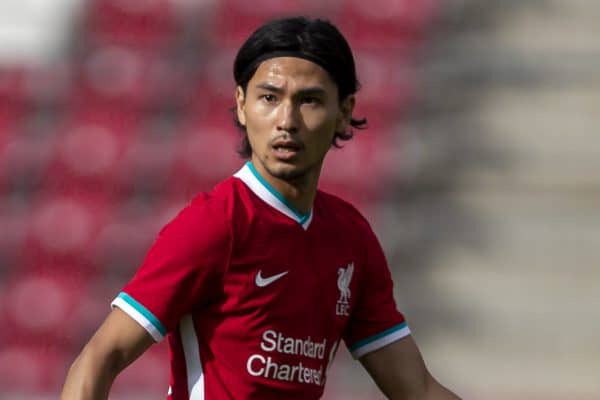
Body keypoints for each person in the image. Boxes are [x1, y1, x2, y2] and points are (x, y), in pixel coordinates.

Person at [61, 16, 461, 400]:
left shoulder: (351, 238)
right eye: (269, 98)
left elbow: (416, 390)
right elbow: (99, 358)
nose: (286, 120)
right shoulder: (215, 224)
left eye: (309, 101)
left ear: (343, 112)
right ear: (241, 104)